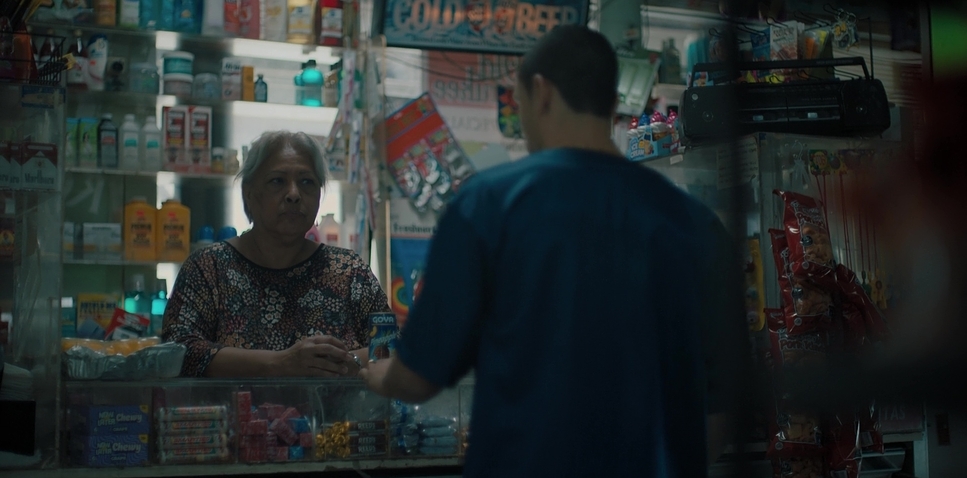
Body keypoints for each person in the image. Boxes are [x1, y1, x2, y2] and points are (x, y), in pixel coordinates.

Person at [361, 26, 748, 477]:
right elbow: (726, 403)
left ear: (541, 93)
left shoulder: (486, 205)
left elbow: (418, 377)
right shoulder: (694, 224)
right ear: (609, 103)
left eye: (520, 104)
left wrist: (372, 373)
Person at [163, 131, 390, 378]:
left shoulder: (349, 271)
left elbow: (391, 346)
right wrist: (279, 363)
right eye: (277, 181)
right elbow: (178, 352)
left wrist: (347, 364)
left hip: (333, 417)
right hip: (234, 416)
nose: (293, 194)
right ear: (249, 193)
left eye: (306, 182)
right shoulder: (208, 269)